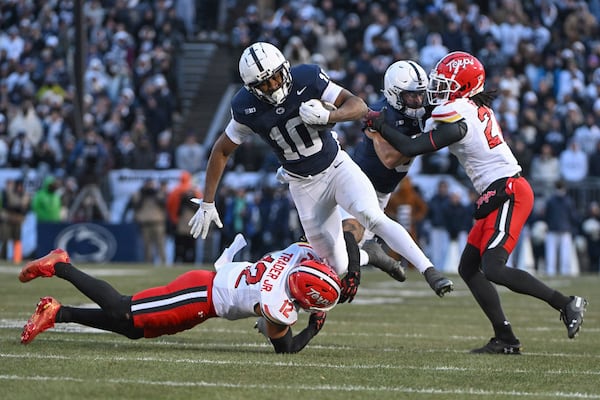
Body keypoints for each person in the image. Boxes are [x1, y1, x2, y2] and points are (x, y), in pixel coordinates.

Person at [188, 42, 452, 300]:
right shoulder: (245, 106)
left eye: (276, 77)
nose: (274, 86)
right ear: (251, 88)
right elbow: (222, 150)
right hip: (303, 186)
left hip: (337, 166)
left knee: (372, 216)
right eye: (264, 84)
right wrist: (208, 201)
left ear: (286, 68)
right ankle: (369, 254)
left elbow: (357, 105)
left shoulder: (307, 77)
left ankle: (429, 271)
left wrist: (330, 117)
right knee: (336, 266)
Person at [366, 51, 588, 354]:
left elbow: (409, 146)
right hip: (497, 191)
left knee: (493, 268)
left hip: (508, 190)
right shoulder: (467, 106)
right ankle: (505, 338)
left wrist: (378, 122)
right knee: (469, 267)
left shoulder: (457, 117)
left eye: (445, 84)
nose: (437, 89)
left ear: (463, 87)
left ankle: (566, 303)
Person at [18, 235, 341, 354]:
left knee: (134, 329)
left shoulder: (294, 256)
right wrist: (313, 327)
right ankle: (61, 265)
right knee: (122, 308)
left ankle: (57, 313)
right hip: (200, 293)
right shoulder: (278, 306)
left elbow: (309, 246)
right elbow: (285, 348)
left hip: (205, 297)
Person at [341, 60, 451, 289]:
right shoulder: (382, 113)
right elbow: (390, 159)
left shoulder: (426, 108)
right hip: (358, 182)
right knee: (343, 245)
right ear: (394, 94)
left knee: (350, 249)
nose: (418, 100)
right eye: (411, 96)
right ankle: (426, 270)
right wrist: (418, 142)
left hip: (383, 190)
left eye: (420, 94)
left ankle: (371, 253)